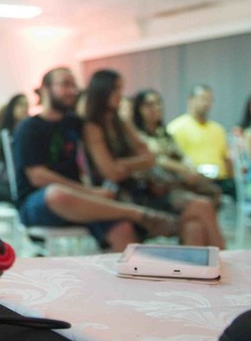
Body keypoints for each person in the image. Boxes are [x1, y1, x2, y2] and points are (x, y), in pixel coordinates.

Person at [12, 67, 178, 253]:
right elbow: (38, 177)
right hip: (38, 203)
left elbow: (110, 130)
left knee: (123, 229)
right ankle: (137, 213)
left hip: (84, 201)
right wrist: (90, 192)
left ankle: (128, 275)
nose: (72, 90)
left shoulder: (76, 123)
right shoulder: (29, 128)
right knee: (56, 194)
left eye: (74, 85)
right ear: (45, 89)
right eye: (65, 84)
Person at [84, 70, 225, 248]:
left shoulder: (121, 122)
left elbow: (149, 158)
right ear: (103, 91)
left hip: (144, 190)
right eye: (116, 89)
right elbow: (111, 172)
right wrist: (134, 164)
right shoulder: (93, 127)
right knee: (201, 206)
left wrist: (123, 164)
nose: (121, 95)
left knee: (195, 226)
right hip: (126, 197)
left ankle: (202, 271)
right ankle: (223, 261)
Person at [131, 89, 223, 205]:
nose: (156, 108)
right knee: (198, 201)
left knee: (214, 191)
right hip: (159, 184)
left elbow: (182, 155)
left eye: (158, 103)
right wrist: (184, 170)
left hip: (181, 178)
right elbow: (158, 160)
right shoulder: (137, 135)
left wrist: (190, 168)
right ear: (139, 109)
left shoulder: (165, 133)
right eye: (149, 105)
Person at [166, 84, 235, 197]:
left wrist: (232, 178)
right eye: (202, 99)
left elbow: (226, 159)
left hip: (220, 180)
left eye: (210, 100)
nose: (206, 104)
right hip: (193, 181)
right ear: (190, 100)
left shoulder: (218, 129)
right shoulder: (175, 128)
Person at [0, 93, 29, 203]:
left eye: (26, 105)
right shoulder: (2, 136)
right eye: (20, 105)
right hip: (6, 183)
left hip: (23, 182)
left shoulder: (29, 134)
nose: (24, 109)